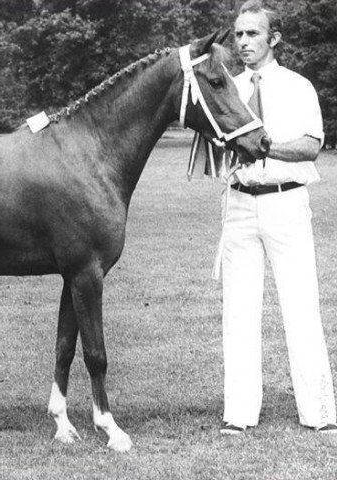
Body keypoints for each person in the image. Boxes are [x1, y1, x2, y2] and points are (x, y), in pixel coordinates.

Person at [220, 0, 337, 435]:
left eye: (252, 33)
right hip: (239, 205)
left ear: (275, 38)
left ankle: (320, 413)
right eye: (238, 34)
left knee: (301, 306)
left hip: (286, 202)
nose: (243, 41)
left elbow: (310, 146)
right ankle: (239, 414)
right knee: (239, 311)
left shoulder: (297, 86)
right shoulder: (227, 88)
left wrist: (263, 146)